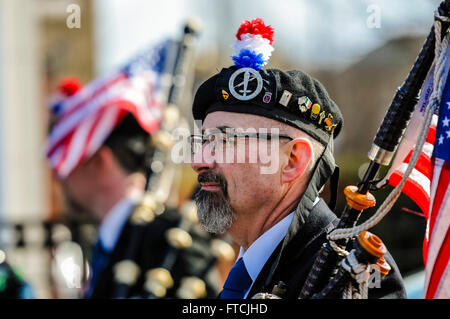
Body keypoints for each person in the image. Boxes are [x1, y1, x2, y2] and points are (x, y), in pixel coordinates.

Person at [189, 18, 406, 299]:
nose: (199, 160)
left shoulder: (355, 274)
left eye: (224, 140)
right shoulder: (250, 271)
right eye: (204, 141)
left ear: (293, 160)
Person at [46, 77, 221, 299]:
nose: (59, 177)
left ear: (99, 161)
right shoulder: (104, 242)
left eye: (66, 159)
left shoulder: (170, 237)